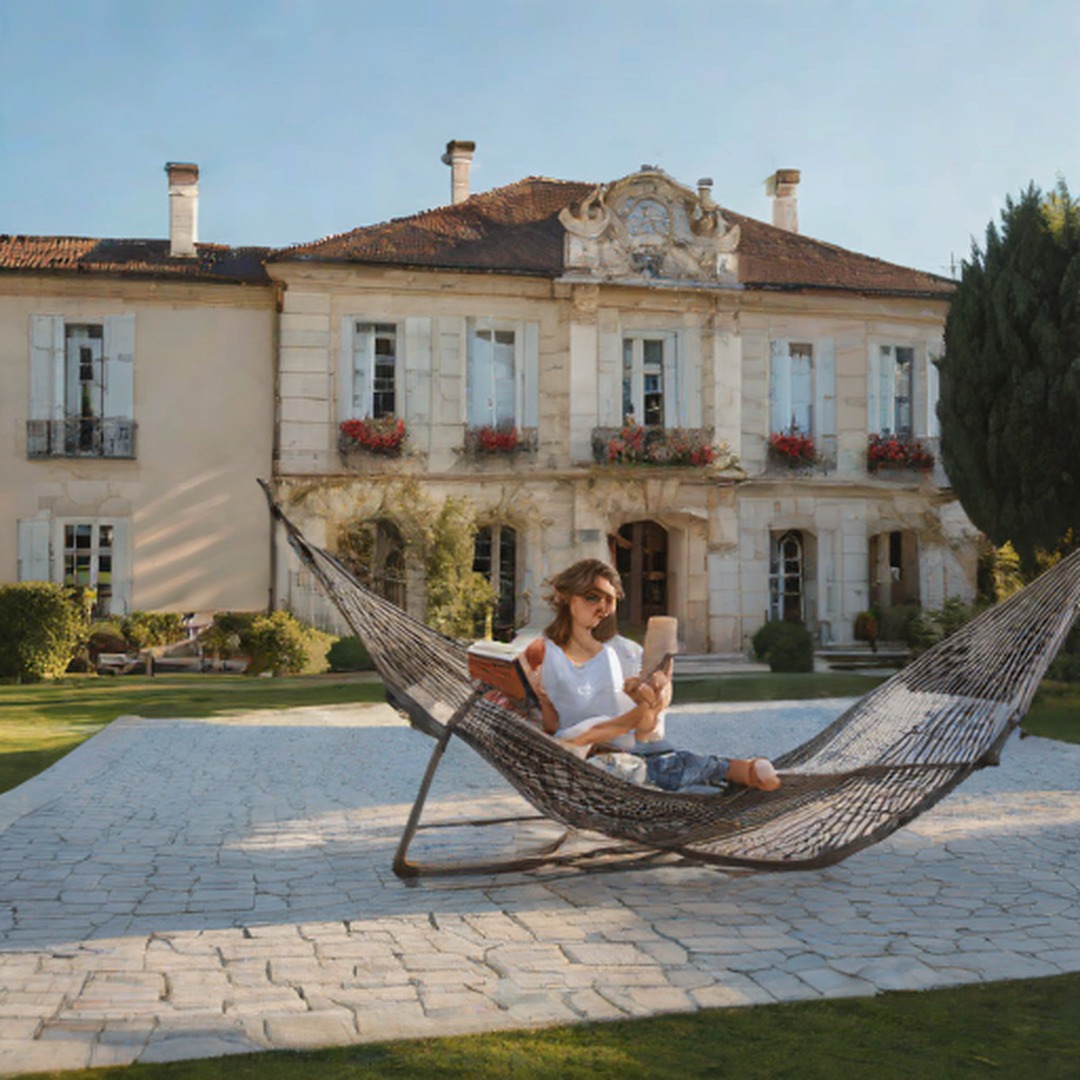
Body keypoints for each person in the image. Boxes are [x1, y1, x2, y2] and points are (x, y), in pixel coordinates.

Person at [520, 559, 780, 792]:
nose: (603, 608)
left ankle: (737, 772)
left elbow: (646, 729)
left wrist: (657, 698)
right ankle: (735, 773)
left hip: (636, 757)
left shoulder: (626, 653)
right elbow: (549, 726)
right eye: (592, 597)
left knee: (673, 769)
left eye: (609, 599)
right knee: (669, 772)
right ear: (565, 597)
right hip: (586, 763)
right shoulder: (542, 653)